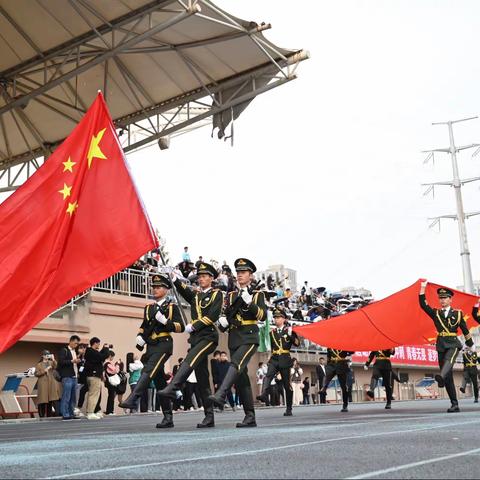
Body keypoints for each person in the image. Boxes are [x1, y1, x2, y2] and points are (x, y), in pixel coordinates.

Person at [158, 262, 222, 428]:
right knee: (202, 379)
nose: (201, 279)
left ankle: (174, 386)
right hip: (196, 338)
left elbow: (213, 315)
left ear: (211, 278)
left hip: (208, 337)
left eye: (204, 276)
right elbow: (184, 290)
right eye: (199, 277)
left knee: (191, 357)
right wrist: (173, 277)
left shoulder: (216, 294)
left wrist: (194, 325)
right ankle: (209, 417)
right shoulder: (196, 296)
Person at [119, 274, 184, 428]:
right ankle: (168, 417)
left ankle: (133, 398)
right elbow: (144, 325)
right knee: (160, 382)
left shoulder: (171, 307)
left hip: (164, 344)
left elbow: (180, 327)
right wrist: (140, 336)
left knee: (149, 369)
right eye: (154, 287)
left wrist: (165, 322)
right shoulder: (149, 308)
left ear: (167, 290)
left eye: (159, 287)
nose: (155, 289)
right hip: (151, 346)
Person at [209, 258, 267, 428]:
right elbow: (223, 315)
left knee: (235, 363)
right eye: (238, 272)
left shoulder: (258, 294)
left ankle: (221, 394)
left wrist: (250, 302)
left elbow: (262, 316)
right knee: (241, 378)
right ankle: (250, 416)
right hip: (234, 337)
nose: (240, 275)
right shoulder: (231, 295)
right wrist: (222, 321)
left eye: (243, 272)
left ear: (251, 275)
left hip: (249, 336)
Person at [419, 282, 474, 413]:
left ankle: (441, 377)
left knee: (449, 362)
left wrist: (471, 345)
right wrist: (422, 288)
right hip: (441, 344)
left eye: (445, 298)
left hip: (454, 343)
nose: (442, 300)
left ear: (450, 299)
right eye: (440, 298)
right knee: (448, 376)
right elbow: (423, 305)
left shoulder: (458, 314)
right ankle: (454, 404)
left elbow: (465, 330)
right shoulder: (436, 313)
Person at [256, 306, 300, 416]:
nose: (276, 320)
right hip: (275, 358)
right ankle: (264, 394)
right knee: (268, 375)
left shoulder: (288, 330)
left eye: (279, 318)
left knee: (287, 385)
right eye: (275, 318)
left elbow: (297, 343)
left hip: (285, 359)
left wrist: (291, 336)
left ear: (284, 319)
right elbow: (271, 346)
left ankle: (289, 408)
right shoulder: (272, 332)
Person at [84, 337, 111, 420]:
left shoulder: (91, 352)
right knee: (93, 394)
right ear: (95, 343)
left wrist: (103, 349)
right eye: (98, 343)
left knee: (94, 394)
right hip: (94, 376)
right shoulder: (91, 351)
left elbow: (99, 356)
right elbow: (103, 357)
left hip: (92, 376)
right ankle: (90, 412)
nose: (99, 345)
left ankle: (92, 411)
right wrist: (106, 349)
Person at [57, 335, 81, 420]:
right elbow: (61, 361)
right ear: (70, 341)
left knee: (73, 396)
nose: (76, 345)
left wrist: (78, 361)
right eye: (75, 343)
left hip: (74, 376)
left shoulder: (75, 351)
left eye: (77, 343)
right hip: (66, 376)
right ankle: (65, 413)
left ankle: (71, 413)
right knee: (66, 395)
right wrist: (72, 361)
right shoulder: (64, 350)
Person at [35, 350, 60, 418]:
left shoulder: (51, 362)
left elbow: (57, 366)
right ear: (42, 356)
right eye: (46, 355)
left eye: (48, 354)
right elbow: (36, 374)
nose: (47, 356)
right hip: (43, 383)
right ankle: (41, 415)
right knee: (42, 400)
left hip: (51, 382)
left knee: (50, 399)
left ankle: (49, 415)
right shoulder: (39, 364)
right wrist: (44, 370)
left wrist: (53, 359)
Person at [104, 351, 120, 415]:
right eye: (113, 357)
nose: (113, 358)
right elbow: (115, 371)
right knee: (111, 396)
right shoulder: (107, 363)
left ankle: (110, 410)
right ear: (110, 356)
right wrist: (117, 364)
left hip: (109, 381)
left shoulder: (106, 363)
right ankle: (110, 411)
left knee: (111, 395)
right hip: (110, 382)